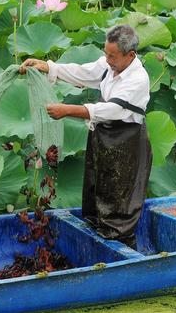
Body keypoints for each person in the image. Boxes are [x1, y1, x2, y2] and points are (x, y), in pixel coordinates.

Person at [19, 24, 152, 249]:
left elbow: (112, 110)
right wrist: (48, 67)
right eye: (105, 53)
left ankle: (122, 249)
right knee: (96, 188)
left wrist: (68, 110)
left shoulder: (137, 79)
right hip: (102, 136)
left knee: (120, 203)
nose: (107, 59)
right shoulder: (110, 64)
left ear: (131, 55)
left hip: (127, 142)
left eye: (112, 56)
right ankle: (96, 237)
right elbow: (85, 72)